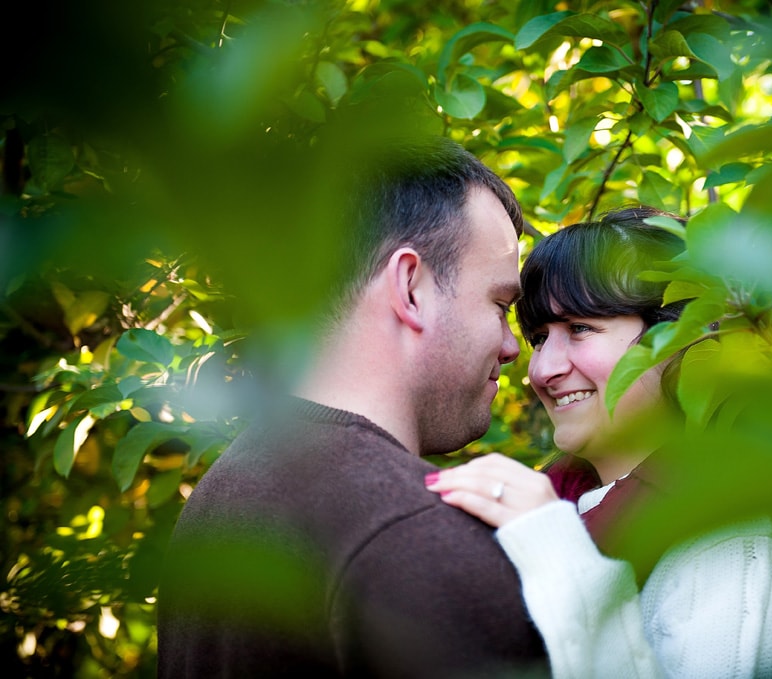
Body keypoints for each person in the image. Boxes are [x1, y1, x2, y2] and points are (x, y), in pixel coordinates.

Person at [157, 136, 549, 678]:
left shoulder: (224, 491)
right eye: (500, 305)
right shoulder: (419, 540)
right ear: (410, 288)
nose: (512, 347)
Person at [426, 207, 772, 678]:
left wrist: (559, 556)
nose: (542, 370)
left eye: (580, 328)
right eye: (538, 338)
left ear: (680, 340)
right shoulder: (561, 506)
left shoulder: (729, 545)